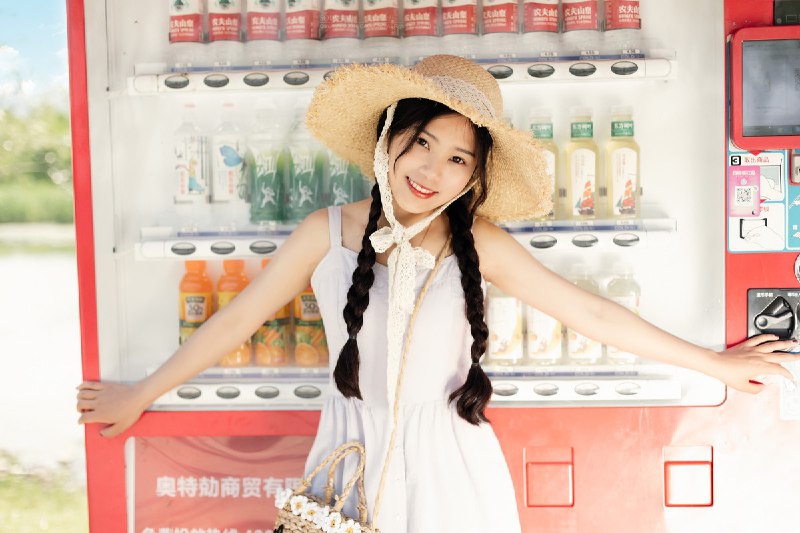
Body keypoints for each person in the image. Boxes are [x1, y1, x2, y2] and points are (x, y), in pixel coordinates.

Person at [77, 55, 798, 532]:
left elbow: (589, 311)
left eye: (457, 158)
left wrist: (715, 364)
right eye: (422, 142)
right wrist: (141, 392)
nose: (432, 170)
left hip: (452, 467)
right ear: (389, 138)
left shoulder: (477, 241)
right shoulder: (326, 232)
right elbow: (236, 319)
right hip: (349, 460)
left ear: (473, 177)